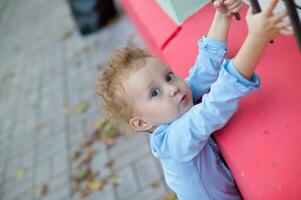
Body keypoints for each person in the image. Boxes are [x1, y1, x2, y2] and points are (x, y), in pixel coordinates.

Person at [96, 0, 292, 199]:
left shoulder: (176, 104)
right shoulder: (172, 143)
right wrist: (257, 38)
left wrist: (223, 15)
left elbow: (204, 70)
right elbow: (214, 106)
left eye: (168, 76)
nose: (171, 88)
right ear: (141, 122)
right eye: (155, 93)